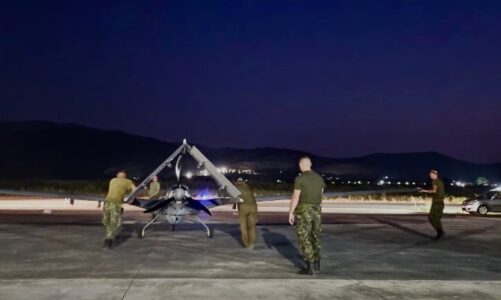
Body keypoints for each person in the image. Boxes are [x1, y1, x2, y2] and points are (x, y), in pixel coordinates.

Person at [289, 156, 325, 275]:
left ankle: (309, 267)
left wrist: (291, 212)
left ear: (301, 165)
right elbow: (320, 196)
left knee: (305, 237)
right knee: (315, 236)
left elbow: (295, 197)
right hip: (317, 211)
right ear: (310, 165)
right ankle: (317, 264)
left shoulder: (300, 179)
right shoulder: (319, 179)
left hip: (304, 211)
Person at [103, 170, 135, 249]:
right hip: (116, 204)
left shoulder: (112, 180)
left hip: (106, 202)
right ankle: (109, 239)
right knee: (115, 223)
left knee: (107, 221)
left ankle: (108, 235)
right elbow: (134, 190)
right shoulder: (127, 181)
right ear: (125, 176)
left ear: (118, 175)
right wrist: (131, 198)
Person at [419, 169, 446, 240]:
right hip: (441, 203)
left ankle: (440, 232)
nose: (430, 176)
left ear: (434, 174)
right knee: (437, 218)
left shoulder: (435, 181)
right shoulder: (440, 181)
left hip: (436, 203)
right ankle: (440, 232)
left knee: (431, 217)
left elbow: (434, 191)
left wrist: (424, 190)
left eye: (430, 174)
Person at [235, 177, 258, 250]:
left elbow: (233, 199)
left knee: (243, 226)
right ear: (244, 181)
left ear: (237, 182)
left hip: (243, 207)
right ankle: (252, 242)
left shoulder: (236, 188)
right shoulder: (249, 187)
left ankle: (246, 243)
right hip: (253, 207)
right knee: (252, 226)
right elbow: (254, 195)